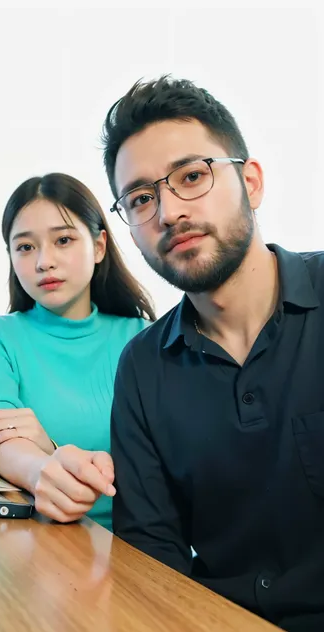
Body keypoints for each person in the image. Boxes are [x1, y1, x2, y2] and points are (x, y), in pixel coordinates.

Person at [102, 75, 324, 631]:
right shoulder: (142, 368)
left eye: (192, 177)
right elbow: (154, 563)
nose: (169, 212)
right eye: (141, 198)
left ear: (250, 182)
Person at [0, 172, 155, 530]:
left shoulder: (145, 338)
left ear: (98, 246)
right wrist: (40, 468)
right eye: (25, 247)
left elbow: (170, 466)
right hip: (32, 547)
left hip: (135, 551)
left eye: (63, 240)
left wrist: (47, 445)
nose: (43, 261)